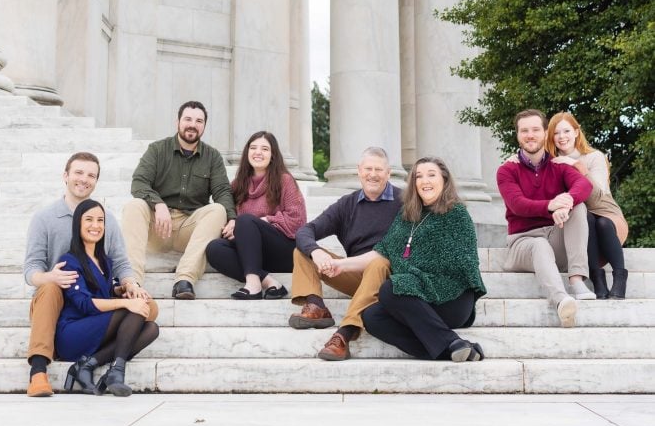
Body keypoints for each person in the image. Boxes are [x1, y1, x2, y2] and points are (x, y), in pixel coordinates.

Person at [24, 152, 154, 398]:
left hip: (92, 299)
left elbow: (120, 262)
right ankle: (39, 369)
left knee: (147, 307)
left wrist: (128, 284)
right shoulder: (44, 218)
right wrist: (49, 277)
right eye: (78, 172)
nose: (84, 179)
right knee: (52, 289)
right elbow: (30, 269)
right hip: (56, 301)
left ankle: (93, 361)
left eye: (91, 175)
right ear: (66, 176)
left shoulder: (106, 220)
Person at [339, 157, 486, 362]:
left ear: (444, 180)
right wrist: (340, 265)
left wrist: (415, 277)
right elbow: (383, 251)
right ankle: (451, 349)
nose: (425, 181)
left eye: (431, 175)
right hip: (417, 297)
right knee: (372, 317)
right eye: (419, 176)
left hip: (453, 298)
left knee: (391, 288)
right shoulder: (407, 215)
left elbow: (458, 264)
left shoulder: (456, 213)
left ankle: (450, 341)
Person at [288, 147, 402, 362]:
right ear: (359, 171)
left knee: (379, 263)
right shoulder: (347, 204)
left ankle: (345, 334)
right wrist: (317, 252)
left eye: (379, 169)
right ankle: (317, 307)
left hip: (390, 279)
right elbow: (305, 231)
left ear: (388, 173)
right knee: (302, 251)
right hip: (355, 275)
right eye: (368, 168)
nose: (373, 174)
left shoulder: (404, 202)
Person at [121, 100, 235, 300]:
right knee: (134, 205)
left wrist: (232, 218)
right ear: (178, 122)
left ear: (204, 126)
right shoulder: (157, 150)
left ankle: (185, 279)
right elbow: (139, 183)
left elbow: (222, 191)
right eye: (188, 119)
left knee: (218, 210)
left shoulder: (213, 157)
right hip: (158, 226)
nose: (193, 124)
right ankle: (132, 281)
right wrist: (158, 204)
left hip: (188, 229)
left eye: (199, 121)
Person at [497, 109, 595, 327]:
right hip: (522, 243)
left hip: (554, 237)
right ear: (518, 135)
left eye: (535, 130)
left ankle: (577, 280)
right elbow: (517, 204)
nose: (530, 135)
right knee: (539, 244)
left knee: (578, 208)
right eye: (524, 131)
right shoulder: (507, 169)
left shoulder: (558, 165)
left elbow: (584, 185)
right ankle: (562, 302)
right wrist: (551, 206)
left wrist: (567, 201)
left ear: (544, 134)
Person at [57, 199, 159, 396]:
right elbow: (85, 304)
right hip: (72, 334)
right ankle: (116, 372)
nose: (95, 225)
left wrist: (122, 290)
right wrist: (126, 302)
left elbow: (101, 290)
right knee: (132, 308)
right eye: (89, 220)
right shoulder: (69, 261)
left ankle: (90, 365)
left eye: (100, 220)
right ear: (78, 223)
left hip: (95, 328)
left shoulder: (104, 261)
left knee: (151, 329)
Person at [206, 131, 307, 298]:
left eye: (265, 149)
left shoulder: (285, 180)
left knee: (245, 221)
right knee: (214, 249)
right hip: (252, 255)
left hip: (283, 251)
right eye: (253, 148)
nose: (258, 152)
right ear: (247, 153)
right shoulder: (238, 185)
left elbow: (298, 220)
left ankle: (253, 285)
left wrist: (265, 220)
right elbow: (226, 212)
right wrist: (231, 221)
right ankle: (269, 282)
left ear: (273, 155)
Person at [546, 111, 628, 299]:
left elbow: (598, 195)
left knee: (602, 223)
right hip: (578, 220)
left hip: (606, 212)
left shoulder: (594, 157)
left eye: (566, 131)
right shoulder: (550, 162)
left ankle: (620, 278)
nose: (561, 137)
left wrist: (576, 165)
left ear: (576, 132)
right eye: (556, 133)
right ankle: (598, 280)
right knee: (585, 217)